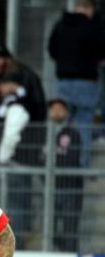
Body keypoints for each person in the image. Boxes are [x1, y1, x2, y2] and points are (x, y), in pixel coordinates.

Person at [48, 0, 105, 168]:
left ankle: (62, 160)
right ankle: (81, 164)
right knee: (83, 125)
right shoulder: (93, 27)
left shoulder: (62, 24)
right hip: (87, 82)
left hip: (64, 81)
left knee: (62, 124)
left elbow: (52, 49)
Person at [0, 70, 45, 249]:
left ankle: (16, 241)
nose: (0, 89)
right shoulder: (27, 103)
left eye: (2, 84)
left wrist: (3, 159)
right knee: (20, 201)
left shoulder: (18, 105)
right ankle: (18, 238)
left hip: (14, 161)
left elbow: (11, 136)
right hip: (24, 161)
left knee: (16, 203)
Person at [48, 98, 83, 252]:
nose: (56, 112)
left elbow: (72, 158)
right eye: (53, 109)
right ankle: (54, 252)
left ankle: (69, 254)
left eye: (60, 109)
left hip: (69, 186)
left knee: (70, 225)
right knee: (51, 225)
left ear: (66, 113)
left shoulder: (73, 134)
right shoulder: (44, 132)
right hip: (51, 187)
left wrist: (55, 162)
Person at [0, 42, 46, 124]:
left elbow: (38, 105)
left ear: (7, 58)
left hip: (28, 127)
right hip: (0, 127)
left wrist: (16, 88)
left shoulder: (26, 75)